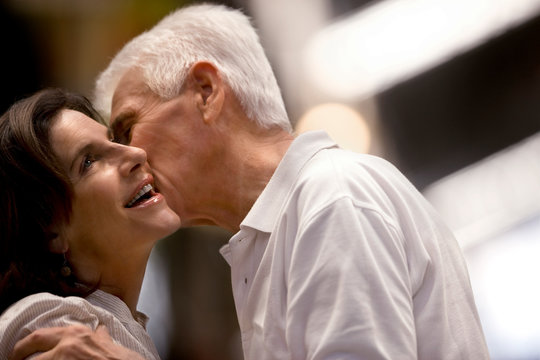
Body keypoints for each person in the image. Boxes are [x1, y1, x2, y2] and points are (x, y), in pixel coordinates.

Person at [12, 4, 490, 359]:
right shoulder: (280, 235)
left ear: (205, 91)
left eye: (128, 126)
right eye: (106, 147)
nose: (133, 153)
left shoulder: (329, 199)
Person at [0, 88, 181, 359]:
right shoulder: (52, 323)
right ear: (50, 232)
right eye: (88, 161)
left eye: (115, 140)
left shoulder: (100, 322)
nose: (136, 153)